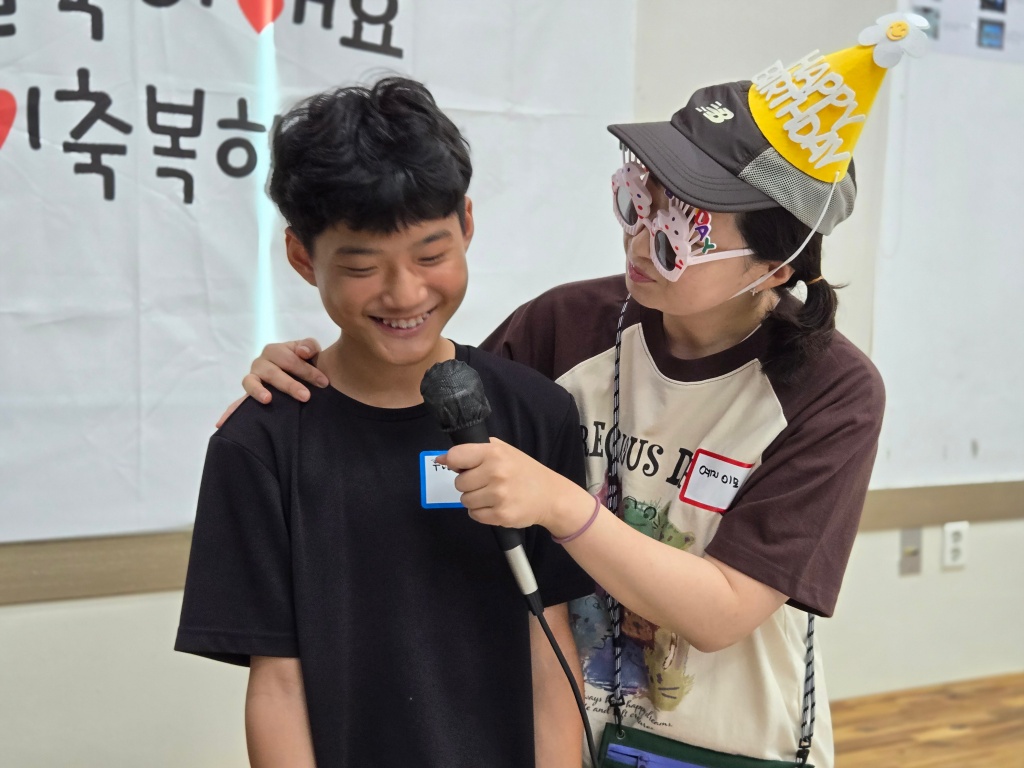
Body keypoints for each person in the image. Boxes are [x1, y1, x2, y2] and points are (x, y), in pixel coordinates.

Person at [225, 15, 930, 768]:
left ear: (776, 266)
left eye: (680, 232)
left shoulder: (831, 390)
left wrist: (563, 506)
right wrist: (299, 386)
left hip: (724, 745)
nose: (640, 241)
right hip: (562, 734)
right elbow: (415, 410)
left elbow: (723, 611)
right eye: (639, 202)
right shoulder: (564, 326)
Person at [175, 76, 596, 768]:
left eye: (431, 255)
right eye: (363, 266)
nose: (405, 293)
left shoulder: (535, 413)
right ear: (303, 257)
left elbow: (548, 641)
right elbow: (277, 685)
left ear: (466, 223)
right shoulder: (261, 443)